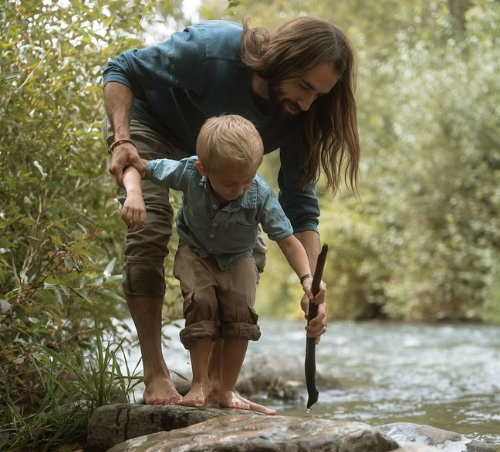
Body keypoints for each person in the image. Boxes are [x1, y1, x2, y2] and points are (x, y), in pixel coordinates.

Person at [102, 15, 360, 406]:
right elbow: (122, 69)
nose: (307, 102)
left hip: (223, 167)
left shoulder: (298, 115)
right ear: (282, 58)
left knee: (242, 250)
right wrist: (122, 139)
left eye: (318, 96)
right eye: (305, 86)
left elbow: (301, 209)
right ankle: (156, 375)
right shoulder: (212, 54)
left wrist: (310, 286)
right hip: (150, 125)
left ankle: (219, 386)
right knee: (150, 230)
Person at [121, 115, 326, 414]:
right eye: (231, 183)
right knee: (201, 304)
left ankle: (226, 390)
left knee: (240, 317)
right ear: (205, 170)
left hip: (240, 256)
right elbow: (135, 166)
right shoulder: (188, 171)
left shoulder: (259, 193)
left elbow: (288, 240)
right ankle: (200, 385)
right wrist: (134, 194)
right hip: (196, 252)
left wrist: (307, 278)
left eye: (248, 179)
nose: (242, 189)